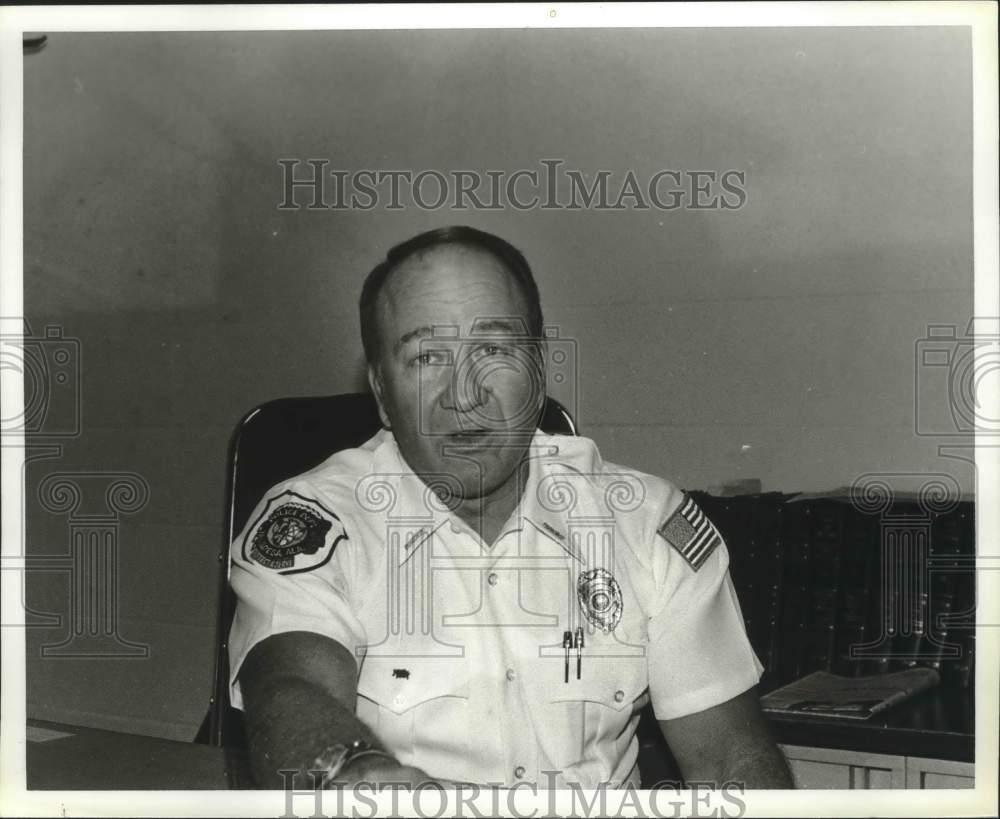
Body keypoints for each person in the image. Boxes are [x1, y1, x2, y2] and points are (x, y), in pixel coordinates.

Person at [227, 225, 793, 790]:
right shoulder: (318, 523)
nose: (465, 394)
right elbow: (290, 689)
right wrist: (359, 777)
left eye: (494, 350)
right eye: (426, 357)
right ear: (380, 392)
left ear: (540, 371)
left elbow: (728, 761)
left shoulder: (644, 522)